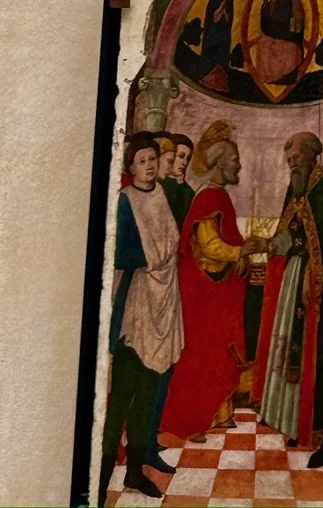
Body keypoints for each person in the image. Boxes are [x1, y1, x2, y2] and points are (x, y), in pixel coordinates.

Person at [160, 127, 261, 443]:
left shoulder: (218, 194)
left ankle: (219, 414)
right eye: (234, 159)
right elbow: (208, 246)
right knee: (205, 353)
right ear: (219, 163)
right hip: (203, 292)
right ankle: (192, 420)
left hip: (215, 291)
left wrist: (241, 252)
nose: (238, 165)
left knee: (220, 352)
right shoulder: (209, 197)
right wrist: (239, 252)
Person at [254, 133, 323, 467]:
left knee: (307, 348)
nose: (292, 163)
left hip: (314, 280)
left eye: (295, 157)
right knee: (286, 344)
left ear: (311, 155)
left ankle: (308, 424)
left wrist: (310, 269)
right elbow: (289, 233)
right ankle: (286, 418)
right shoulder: (295, 189)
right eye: (289, 159)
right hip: (293, 277)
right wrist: (268, 245)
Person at [101, 134, 183, 499]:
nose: (149, 165)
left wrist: (161, 258)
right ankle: (99, 479)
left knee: (147, 398)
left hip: (163, 309)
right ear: (131, 166)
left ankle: (134, 473)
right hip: (135, 310)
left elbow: (172, 242)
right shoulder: (125, 200)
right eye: (142, 160)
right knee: (121, 400)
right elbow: (118, 252)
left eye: (153, 159)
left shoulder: (162, 194)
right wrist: (154, 258)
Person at [156, 135, 195, 227]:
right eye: (181, 156)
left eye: (187, 158)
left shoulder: (188, 191)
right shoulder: (156, 184)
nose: (185, 163)